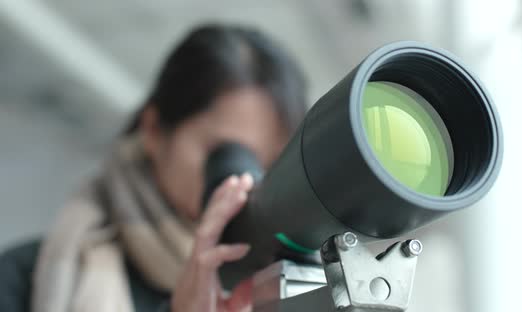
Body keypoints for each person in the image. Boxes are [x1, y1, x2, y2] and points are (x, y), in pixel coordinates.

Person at [0, 24, 307, 312]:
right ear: (153, 129)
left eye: (269, 166)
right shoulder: (24, 280)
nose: (247, 183)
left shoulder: (280, 293)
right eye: (225, 155)